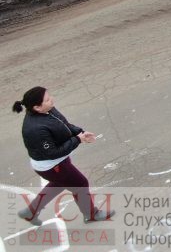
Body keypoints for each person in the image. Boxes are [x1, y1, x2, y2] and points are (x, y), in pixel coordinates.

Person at [13, 87, 115, 226]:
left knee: (59, 183)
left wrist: (80, 133)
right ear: (37, 107)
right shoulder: (36, 129)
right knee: (80, 184)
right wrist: (77, 140)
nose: (51, 100)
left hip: (56, 163)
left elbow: (64, 124)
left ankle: (30, 212)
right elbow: (53, 153)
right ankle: (91, 215)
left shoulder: (48, 109)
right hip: (52, 166)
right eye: (47, 99)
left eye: (49, 96)